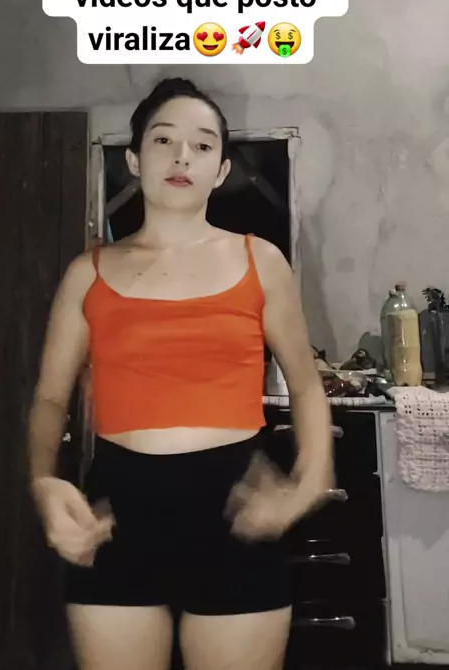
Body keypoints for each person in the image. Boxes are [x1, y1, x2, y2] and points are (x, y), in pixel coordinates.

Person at [29, 77, 334, 670]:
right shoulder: (87, 272)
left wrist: (311, 476)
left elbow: (304, 384)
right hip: (118, 514)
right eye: (164, 140)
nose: (181, 157)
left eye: (202, 145)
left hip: (235, 514)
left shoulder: (261, 260)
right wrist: (43, 481)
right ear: (134, 159)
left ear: (221, 170)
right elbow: (48, 399)